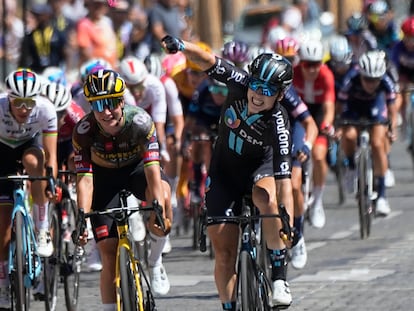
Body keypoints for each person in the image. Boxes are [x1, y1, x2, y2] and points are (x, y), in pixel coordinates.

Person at [162, 35, 294, 310]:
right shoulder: (238, 83)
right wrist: (183, 46)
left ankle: (279, 278)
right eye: (256, 86)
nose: (258, 95)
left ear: (280, 95)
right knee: (224, 254)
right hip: (224, 172)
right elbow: (208, 61)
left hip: (261, 170)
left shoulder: (279, 122)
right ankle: (229, 306)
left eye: (268, 91)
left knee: (266, 199)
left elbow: (285, 182)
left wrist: (287, 222)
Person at [72, 69, 173, 309]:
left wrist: (156, 206)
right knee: (108, 253)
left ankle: (156, 261)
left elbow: (152, 170)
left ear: (121, 101)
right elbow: (85, 180)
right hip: (104, 179)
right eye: (98, 106)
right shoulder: (83, 132)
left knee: (163, 197)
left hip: (137, 171)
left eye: (111, 104)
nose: (106, 112)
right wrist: (81, 218)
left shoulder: (140, 122)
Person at [0, 68, 58, 308]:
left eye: (29, 102)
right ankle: (2, 286)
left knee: (35, 163)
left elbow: (51, 156)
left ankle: (42, 226)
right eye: (18, 102)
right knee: (2, 232)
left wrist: (51, 180)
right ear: (9, 98)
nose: (24, 109)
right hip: (2, 151)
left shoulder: (45, 109)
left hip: (28, 146)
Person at [275, 36, 318, 269]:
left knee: (292, 184)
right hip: (269, 137)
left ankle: (298, 235)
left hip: (293, 131)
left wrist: (306, 146)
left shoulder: (289, 92)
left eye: (290, 59)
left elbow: (309, 122)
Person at [337, 50, 397, 216]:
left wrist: (392, 129)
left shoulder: (386, 81)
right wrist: (339, 125)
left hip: (375, 107)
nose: (371, 84)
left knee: (378, 143)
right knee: (349, 135)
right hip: (353, 107)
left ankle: (383, 196)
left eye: (375, 80)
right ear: (361, 74)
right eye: (367, 80)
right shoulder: (350, 79)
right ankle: (350, 166)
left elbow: (392, 109)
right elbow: (340, 106)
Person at [293, 40, 336, 229]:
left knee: (319, 156)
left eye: (316, 64)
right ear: (300, 62)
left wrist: (327, 124)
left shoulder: (326, 75)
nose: (312, 69)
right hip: (298, 115)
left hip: (317, 114)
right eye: (307, 65)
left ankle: (317, 200)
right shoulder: (293, 74)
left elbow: (329, 106)